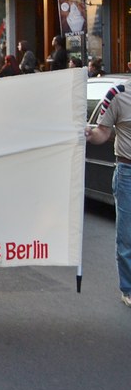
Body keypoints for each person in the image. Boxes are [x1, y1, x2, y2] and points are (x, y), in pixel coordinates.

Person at [86, 83, 131, 308]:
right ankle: (129, 289)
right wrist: (89, 133)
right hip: (128, 172)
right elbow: (103, 132)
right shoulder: (118, 94)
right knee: (127, 236)